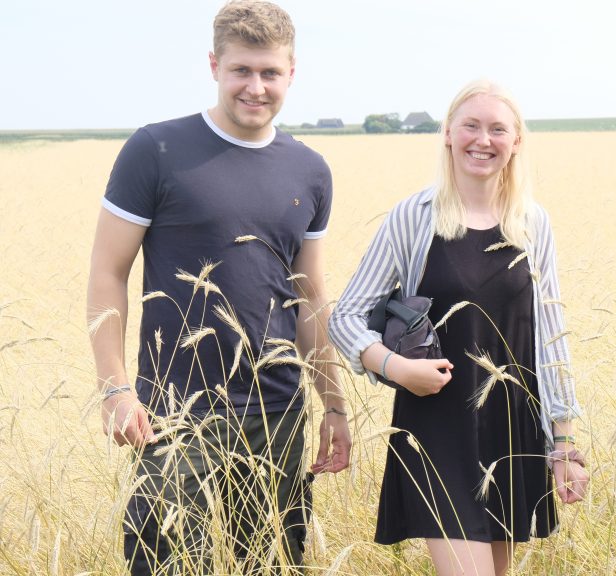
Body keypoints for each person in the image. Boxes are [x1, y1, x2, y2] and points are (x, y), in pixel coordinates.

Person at [86, 1, 351, 573]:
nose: (256, 87)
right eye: (241, 71)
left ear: (291, 73)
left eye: (270, 73)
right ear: (213, 65)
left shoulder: (310, 170)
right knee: (165, 562)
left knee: (274, 563)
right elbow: (109, 272)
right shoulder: (155, 150)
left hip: (277, 411)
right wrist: (115, 391)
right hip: (173, 414)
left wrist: (334, 404)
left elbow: (310, 295)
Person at [328, 79, 588, 576]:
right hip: (436, 427)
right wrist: (396, 367)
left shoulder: (533, 222)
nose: (482, 140)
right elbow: (345, 315)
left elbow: (551, 334)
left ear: (516, 142)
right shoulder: (415, 216)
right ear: (448, 133)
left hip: (512, 427)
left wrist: (563, 444)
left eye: (497, 129)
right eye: (470, 126)